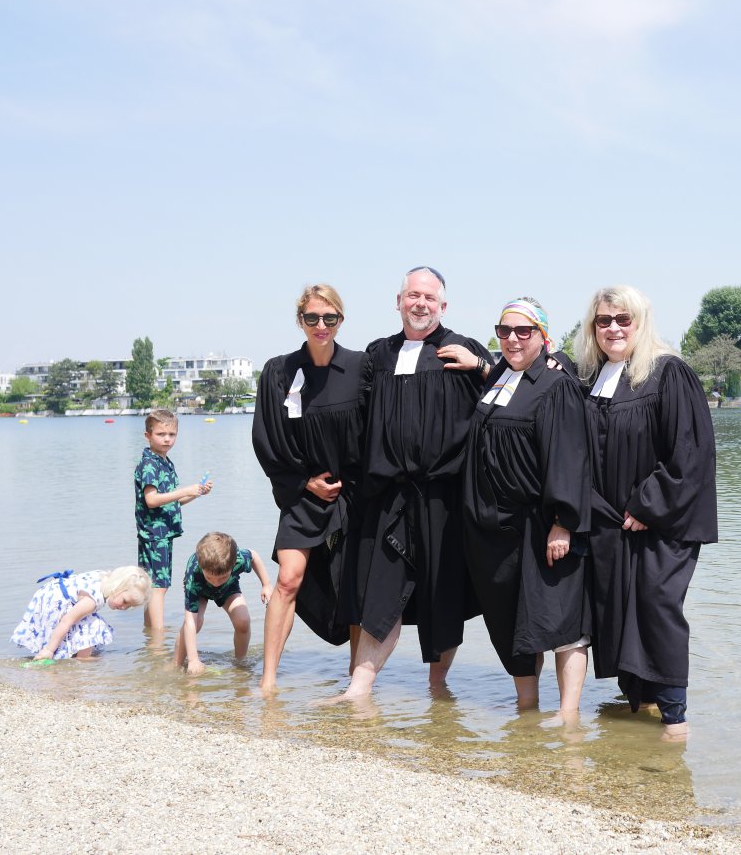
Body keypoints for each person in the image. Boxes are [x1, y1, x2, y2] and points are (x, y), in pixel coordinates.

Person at [339, 266, 492, 699]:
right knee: (378, 591)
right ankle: (360, 686)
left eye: (429, 297)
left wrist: (480, 365)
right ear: (399, 301)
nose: (420, 303)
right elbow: (351, 416)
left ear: (443, 305)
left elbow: (513, 389)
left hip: (445, 496)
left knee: (442, 595)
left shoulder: (463, 349)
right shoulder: (377, 354)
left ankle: (438, 689)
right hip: (387, 495)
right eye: (412, 295)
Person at [575, 286, 718, 740]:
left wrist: (647, 503)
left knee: (657, 606)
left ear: (641, 322)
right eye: (603, 321)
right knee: (618, 608)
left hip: (661, 523)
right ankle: (640, 703)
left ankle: (675, 718)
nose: (613, 328)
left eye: (623, 319)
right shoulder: (592, 376)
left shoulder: (666, 372)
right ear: (592, 327)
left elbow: (689, 451)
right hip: (611, 523)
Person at [462, 298, 592, 713]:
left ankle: (569, 717)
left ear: (544, 337)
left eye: (524, 332)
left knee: (560, 620)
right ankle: (527, 709)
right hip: (496, 531)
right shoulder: (500, 375)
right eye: (504, 332)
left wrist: (563, 522)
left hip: (540, 525)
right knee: (513, 624)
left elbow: (568, 457)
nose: (513, 339)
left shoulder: (556, 384)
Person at [252, 283, 371, 693]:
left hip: (352, 493)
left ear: (341, 320)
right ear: (299, 320)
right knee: (288, 579)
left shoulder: (361, 367)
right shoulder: (279, 372)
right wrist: (305, 482)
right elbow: (265, 438)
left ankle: (356, 682)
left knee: (355, 588)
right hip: (301, 492)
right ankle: (268, 678)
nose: (321, 326)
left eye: (330, 318)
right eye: (312, 318)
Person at [135, 409, 212, 631]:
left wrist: (196, 493)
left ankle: (151, 634)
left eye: (172, 434)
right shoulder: (150, 464)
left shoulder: (165, 462)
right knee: (158, 586)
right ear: (148, 436)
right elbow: (151, 500)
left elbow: (171, 502)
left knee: (155, 584)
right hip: (153, 533)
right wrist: (184, 490)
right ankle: (158, 638)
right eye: (161, 434)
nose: (167, 439)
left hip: (162, 533)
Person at [173, 531, 273, 675]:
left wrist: (266, 584)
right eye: (211, 577)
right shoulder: (194, 574)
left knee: (243, 620)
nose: (215, 583)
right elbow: (190, 621)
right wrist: (193, 660)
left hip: (228, 588)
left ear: (233, 565)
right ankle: (176, 664)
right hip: (200, 589)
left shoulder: (238, 558)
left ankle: (240, 663)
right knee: (196, 623)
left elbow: (253, 556)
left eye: (221, 577)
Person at [12, 566, 151, 660]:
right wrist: (49, 650)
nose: (123, 608)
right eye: (125, 601)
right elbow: (66, 621)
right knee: (94, 624)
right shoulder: (92, 600)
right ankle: (81, 659)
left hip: (51, 593)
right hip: (54, 602)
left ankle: (71, 654)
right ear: (117, 586)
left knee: (87, 620)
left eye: (129, 607)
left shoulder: (103, 577)